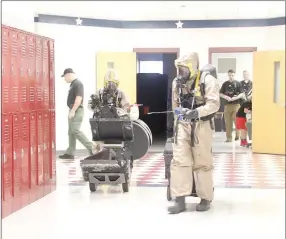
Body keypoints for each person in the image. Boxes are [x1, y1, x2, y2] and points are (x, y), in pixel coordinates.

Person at [168, 53, 220, 214]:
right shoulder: (176, 82)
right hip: (183, 125)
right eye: (179, 69)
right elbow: (175, 105)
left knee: (202, 161)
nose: (180, 73)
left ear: (192, 67)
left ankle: (205, 198)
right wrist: (181, 112)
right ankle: (179, 199)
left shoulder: (208, 80)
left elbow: (214, 104)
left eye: (183, 69)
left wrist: (196, 112)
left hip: (202, 125)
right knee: (179, 160)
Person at [88, 69, 131, 150]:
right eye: (109, 83)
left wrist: (117, 111)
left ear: (117, 83)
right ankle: (97, 153)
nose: (111, 85)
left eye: (114, 83)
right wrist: (96, 106)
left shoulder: (121, 93)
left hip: (117, 121)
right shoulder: (99, 92)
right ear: (105, 82)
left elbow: (126, 108)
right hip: (101, 121)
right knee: (97, 144)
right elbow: (90, 105)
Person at [59, 68, 94, 159]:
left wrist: (73, 110)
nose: (65, 79)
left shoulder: (78, 84)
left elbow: (79, 99)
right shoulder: (73, 84)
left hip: (77, 110)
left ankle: (93, 147)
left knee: (75, 131)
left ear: (68, 75)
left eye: (65, 77)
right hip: (73, 109)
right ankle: (70, 152)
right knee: (71, 132)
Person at [220, 69, 244, 142]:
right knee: (228, 122)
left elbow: (242, 94)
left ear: (234, 75)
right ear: (228, 75)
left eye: (232, 75)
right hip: (227, 105)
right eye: (230, 75)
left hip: (236, 105)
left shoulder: (238, 83)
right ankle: (229, 138)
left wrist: (235, 98)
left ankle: (237, 136)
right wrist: (225, 97)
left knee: (236, 121)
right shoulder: (225, 84)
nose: (231, 76)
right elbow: (220, 93)